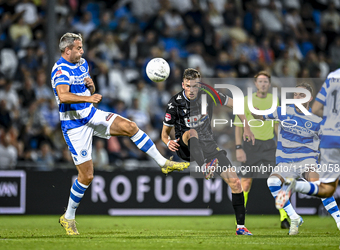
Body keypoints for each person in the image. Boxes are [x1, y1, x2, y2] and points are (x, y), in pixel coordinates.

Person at [51, 33, 190, 235]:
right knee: (87, 176)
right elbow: (63, 96)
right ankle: (68, 217)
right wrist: (89, 98)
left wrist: (91, 87)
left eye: (82, 47)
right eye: (78, 48)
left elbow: (85, 90)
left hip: (91, 114)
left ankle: (163, 163)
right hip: (74, 125)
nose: (82, 51)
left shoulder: (83, 64)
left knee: (131, 127)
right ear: (67, 50)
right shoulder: (60, 70)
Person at [161, 68, 255, 235]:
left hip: (208, 146)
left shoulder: (208, 93)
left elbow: (235, 104)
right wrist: (168, 142)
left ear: (200, 84)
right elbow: (164, 134)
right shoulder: (174, 103)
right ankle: (205, 166)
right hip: (186, 147)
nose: (191, 90)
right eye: (188, 86)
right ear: (183, 84)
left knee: (236, 183)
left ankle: (240, 227)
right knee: (192, 132)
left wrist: (246, 126)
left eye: (195, 86)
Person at [265, 82, 340, 234]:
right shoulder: (283, 111)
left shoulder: (318, 120)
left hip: (307, 160)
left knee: (320, 186)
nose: (297, 97)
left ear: (309, 98)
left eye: (301, 95)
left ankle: (339, 220)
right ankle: (294, 217)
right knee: (272, 181)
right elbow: (259, 115)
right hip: (285, 161)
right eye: (295, 94)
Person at [234, 71, 290, 229]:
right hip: (250, 145)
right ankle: (241, 219)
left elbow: (277, 125)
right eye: (260, 81)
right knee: (246, 182)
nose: (263, 84)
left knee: (279, 180)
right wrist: (239, 148)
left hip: (269, 145)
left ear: (269, 84)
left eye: (266, 81)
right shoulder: (246, 101)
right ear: (255, 83)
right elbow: (238, 127)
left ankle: (284, 218)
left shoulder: (275, 100)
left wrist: (282, 145)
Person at [277, 69, 340, 207]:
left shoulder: (333, 76)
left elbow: (317, 109)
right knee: (326, 188)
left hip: (331, 137)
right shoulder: (286, 111)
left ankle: (295, 185)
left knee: (327, 189)